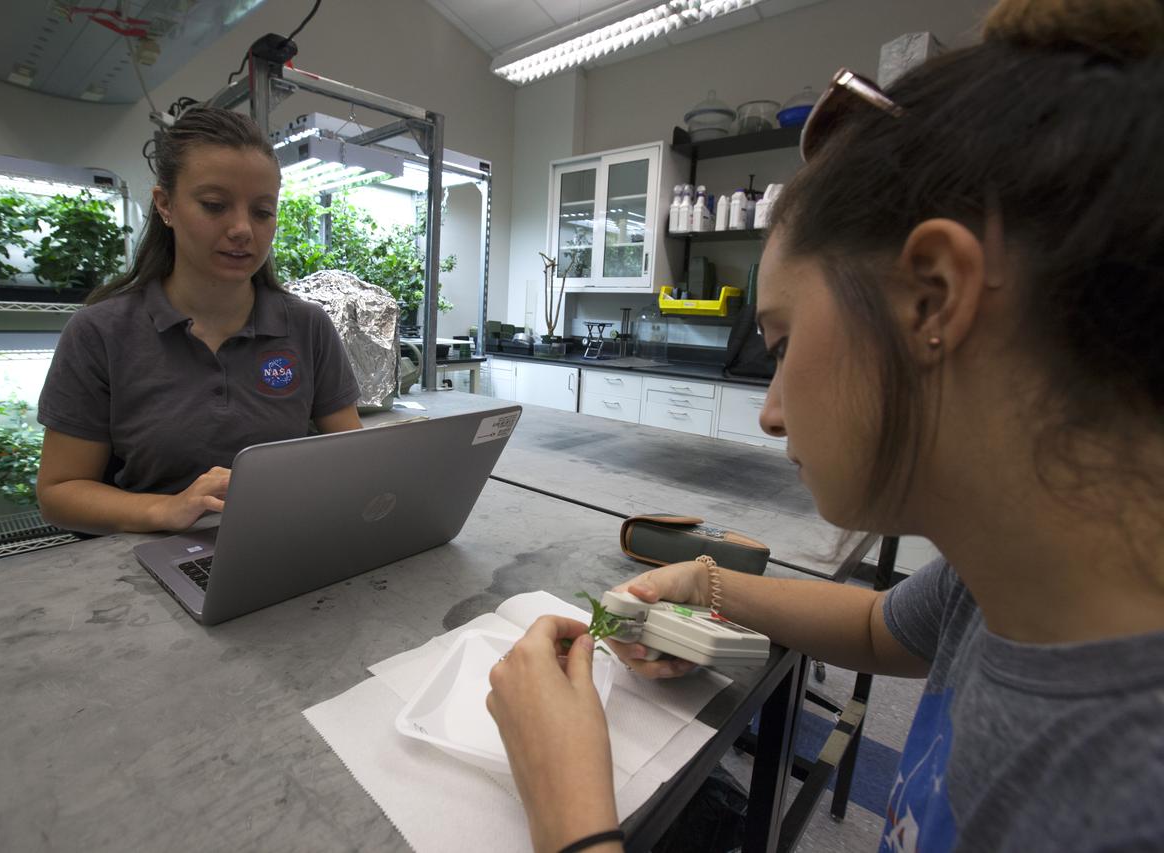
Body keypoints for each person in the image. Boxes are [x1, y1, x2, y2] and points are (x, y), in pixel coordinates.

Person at [487, 1, 1164, 850]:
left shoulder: (1126, 786)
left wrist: (572, 811)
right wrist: (707, 584)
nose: (770, 411)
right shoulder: (1005, 579)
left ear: (934, 298)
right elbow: (882, 628)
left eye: (781, 340)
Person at [36, 107, 362, 535]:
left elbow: (355, 457)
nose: (243, 229)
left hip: (284, 542)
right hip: (149, 564)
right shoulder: (100, 333)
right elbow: (59, 492)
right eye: (215, 205)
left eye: (262, 211)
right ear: (165, 205)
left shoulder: (307, 326)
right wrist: (166, 509)